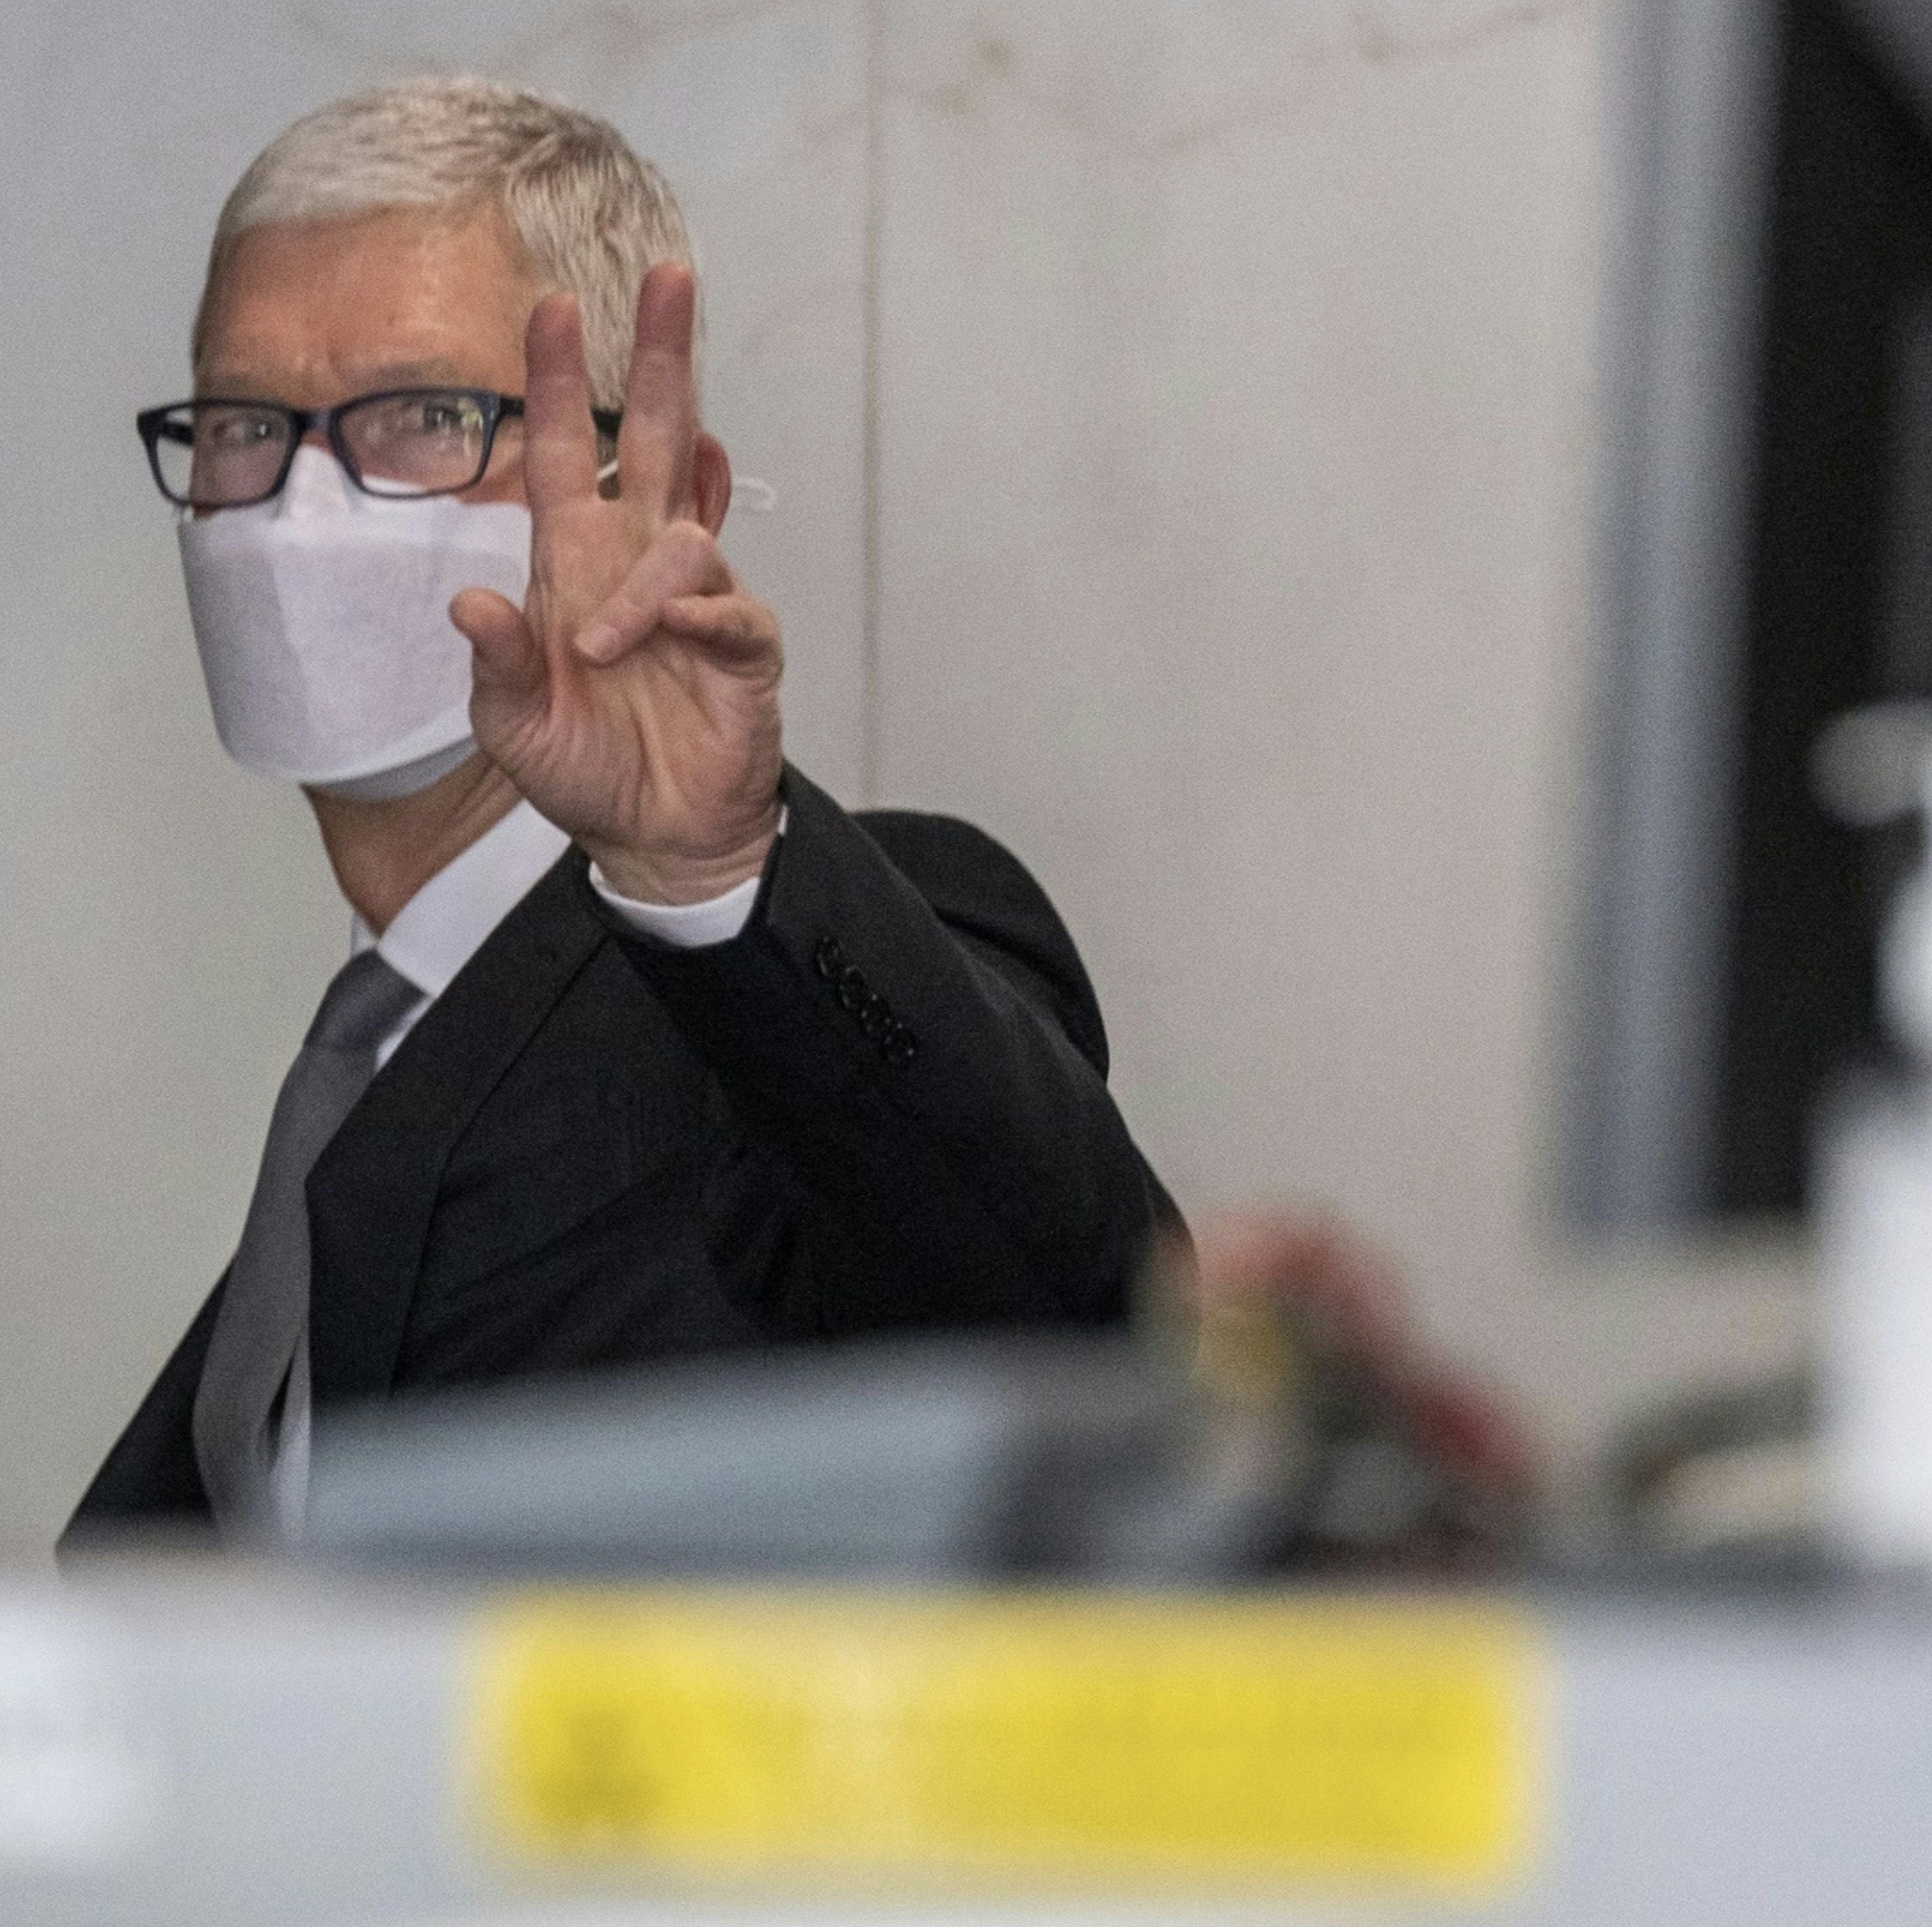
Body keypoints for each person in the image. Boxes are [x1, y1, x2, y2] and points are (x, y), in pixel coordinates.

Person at [68, 76, 1177, 1550]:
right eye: (244, 422)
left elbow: (1084, 1318)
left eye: (416, 417)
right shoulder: (363, 1058)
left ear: (666, 497)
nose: (296, 507)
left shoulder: (775, 972)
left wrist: (716, 872)